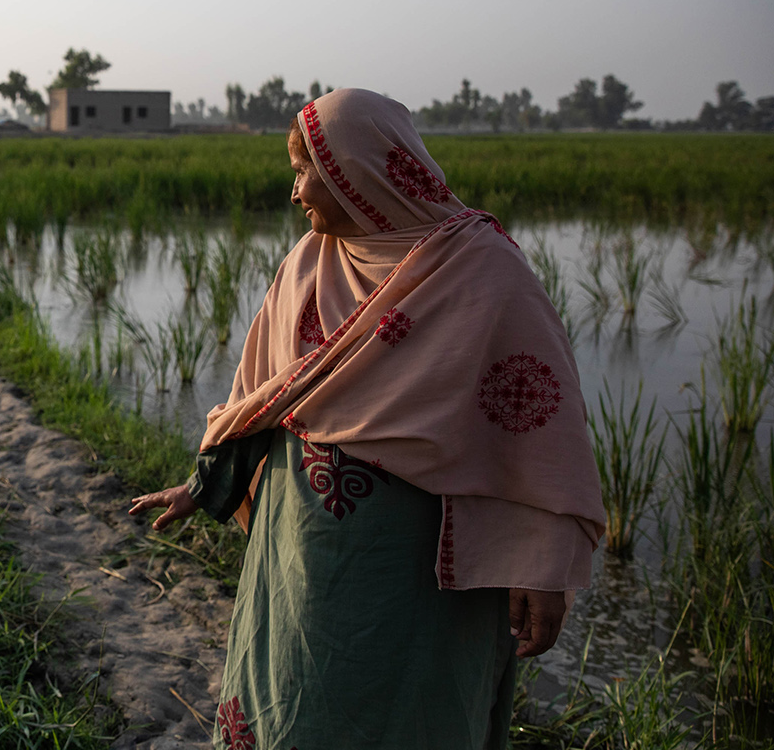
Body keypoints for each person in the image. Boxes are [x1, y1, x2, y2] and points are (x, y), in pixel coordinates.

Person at [129, 89, 605, 749]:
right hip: (301, 562)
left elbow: (539, 432)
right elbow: (263, 401)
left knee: (409, 712)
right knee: (294, 702)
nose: (295, 191)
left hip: (419, 579)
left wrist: (542, 565)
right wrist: (205, 483)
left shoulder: (483, 273)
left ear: (358, 174)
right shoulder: (307, 265)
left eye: (305, 171)